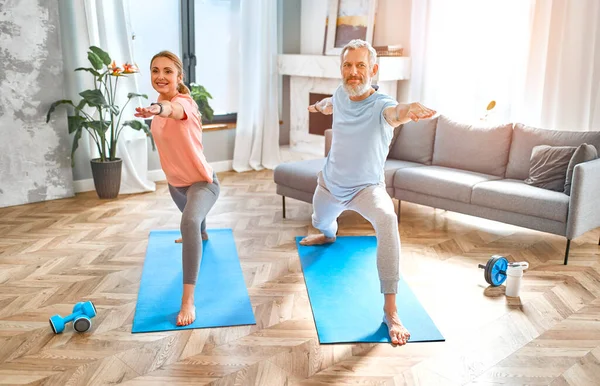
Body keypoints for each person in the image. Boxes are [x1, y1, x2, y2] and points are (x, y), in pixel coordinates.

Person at [300, 39, 436, 345]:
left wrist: (408, 110)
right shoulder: (339, 92)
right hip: (330, 184)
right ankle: (328, 234)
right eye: (348, 65)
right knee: (320, 222)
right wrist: (317, 106)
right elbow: (330, 104)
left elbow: (395, 113)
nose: (353, 72)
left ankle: (391, 311)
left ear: (373, 70)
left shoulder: (382, 106)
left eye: (361, 65)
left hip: (366, 189)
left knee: (387, 220)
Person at [134, 51, 219, 327]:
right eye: (155, 70)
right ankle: (201, 233)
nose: (160, 76)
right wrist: (157, 107)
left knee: (189, 221)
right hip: (176, 185)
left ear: (179, 77)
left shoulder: (185, 103)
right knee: (195, 226)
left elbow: (174, 111)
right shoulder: (157, 102)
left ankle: (187, 301)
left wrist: (160, 110)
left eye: (168, 71)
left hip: (202, 183)